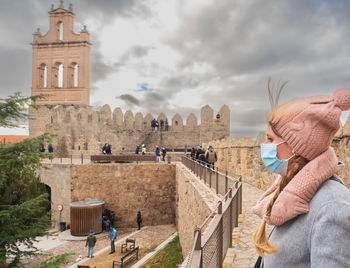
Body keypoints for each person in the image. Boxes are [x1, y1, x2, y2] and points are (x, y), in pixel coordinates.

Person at [252, 87, 350, 267]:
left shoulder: (332, 206)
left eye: (271, 139)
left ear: (296, 148)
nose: (264, 145)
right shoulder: (291, 188)